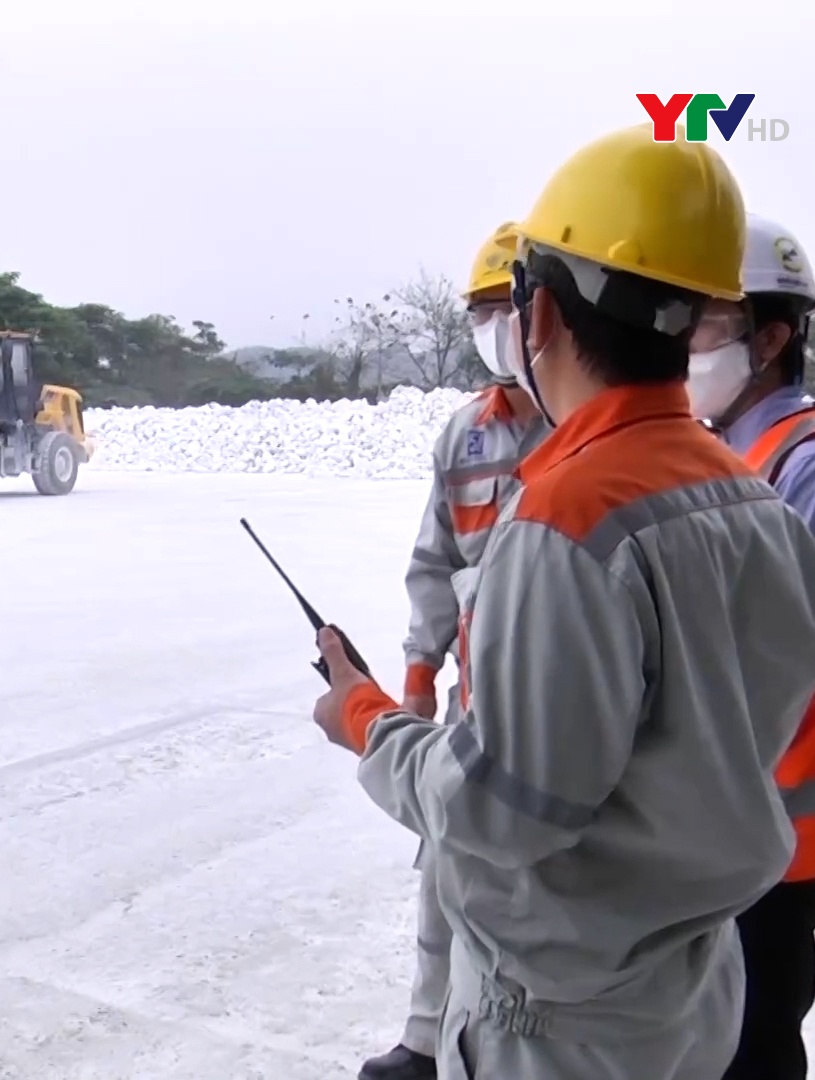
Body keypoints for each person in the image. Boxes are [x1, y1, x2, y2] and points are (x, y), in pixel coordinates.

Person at [310, 123, 815, 1080]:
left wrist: (366, 720)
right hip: (689, 991)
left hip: (563, 1024)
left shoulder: (566, 521)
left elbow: (501, 813)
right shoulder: (755, 502)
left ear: (539, 315)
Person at [686, 214, 815, 1080]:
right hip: (725, 822)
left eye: (705, 325)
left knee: (751, 1050)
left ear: (771, 337)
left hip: (781, 832)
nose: (684, 345)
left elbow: (771, 661)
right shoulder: (731, 454)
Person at [361, 223, 553, 1080]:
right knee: (444, 872)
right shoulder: (465, 435)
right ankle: (424, 1038)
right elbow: (435, 564)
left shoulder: (583, 432)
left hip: (555, 709)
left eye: (498, 310)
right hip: (470, 706)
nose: (491, 331)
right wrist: (414, 680)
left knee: (528, 891)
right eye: (477, 314)